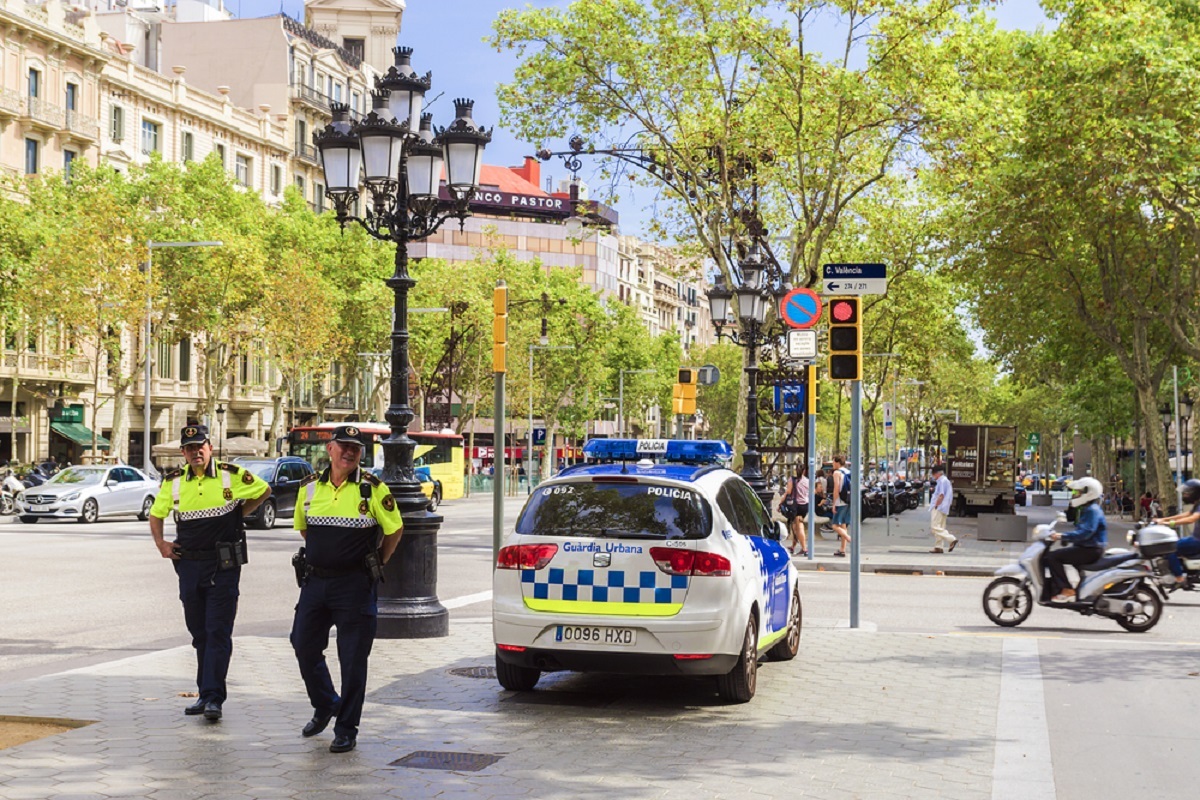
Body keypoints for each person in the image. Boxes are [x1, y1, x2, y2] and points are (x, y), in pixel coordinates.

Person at [291, 425, 403, 754]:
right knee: (303, 644)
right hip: (315, 583)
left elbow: (395, 529)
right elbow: (304, 530)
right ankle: (326, 703)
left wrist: (377, 562)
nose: (350, 452)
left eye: (356, 447)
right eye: (344, 446)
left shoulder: (372, 489)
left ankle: (346, 727)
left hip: (354, 586)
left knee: (352, 659)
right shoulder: (309, 488)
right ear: (330, 449)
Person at [148, 424, 271, 721]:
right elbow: (156, 514)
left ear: (210, 447)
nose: (195, 452)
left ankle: (214, 697)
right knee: (199, 633)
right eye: (189, 448)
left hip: (223, 565)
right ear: (183, 452)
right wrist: (161, 545)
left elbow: (264, 490)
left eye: (199, 446)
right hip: (189, 566)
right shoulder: (174, 482)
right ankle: (205, 693)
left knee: (218, 631)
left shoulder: (231, 475)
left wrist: (238, 514)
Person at [1043, 476, 1107, 602]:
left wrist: (1063, 536)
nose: (1076, 495)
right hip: (1087, 547)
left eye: (1078, 492)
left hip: (1090, 549)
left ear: (1088, 493)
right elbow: (1081, 531)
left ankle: (1065, 588)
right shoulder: (1088, 509)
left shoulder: (1092, 511)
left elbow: (1086, 532)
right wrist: (1066, 537)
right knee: (1063, 555)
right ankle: (1076, 590)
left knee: (1052, 557)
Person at [1154, 478, 1200, 587]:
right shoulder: (1197, 505)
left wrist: (1170, 524)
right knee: (1173, 543)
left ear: (1195, 493)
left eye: (1187, 493)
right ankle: (1180, 572)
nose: (1184, 495)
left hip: (1197, 541)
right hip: (1194, 539)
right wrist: (1164, 519)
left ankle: (1179, 578)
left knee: (1170, 548)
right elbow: (1185, 515)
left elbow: (1191, 519)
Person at [928, 463, 958, 553]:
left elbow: (941, 495)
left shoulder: (942, 481)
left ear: (937, 473)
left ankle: (951, 539)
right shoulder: (946, 480)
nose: (933, 476)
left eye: (933, 474)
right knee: (940, 526)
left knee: (934, 527)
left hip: (939, 507)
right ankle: (938, 546)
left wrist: (936, 505)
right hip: (944, 507)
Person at [782, 467, 809, 556]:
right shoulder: (807, 480)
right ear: (804, 471)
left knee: (799, 527)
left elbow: (789, 491)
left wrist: (781, 502)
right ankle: (793, 546)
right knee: (795, 527)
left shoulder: (792, 479)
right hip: (804, 505)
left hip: (796, 506)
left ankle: (805, 549)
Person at [830, 455, 851, 557]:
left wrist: (834, 504)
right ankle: (842, 549)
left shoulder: (837, 473)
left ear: (838, 462)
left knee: (834, 525)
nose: (832, 464)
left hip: (840, 501)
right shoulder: (848, 472)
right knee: (843, 525)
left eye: (833, 462)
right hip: (848, 501)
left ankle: (848, 538)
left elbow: (836, 489)